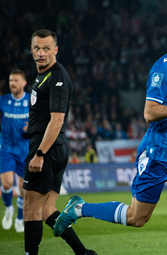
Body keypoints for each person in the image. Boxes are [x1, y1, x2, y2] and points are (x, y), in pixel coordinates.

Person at [54, 19, 167, 255]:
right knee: (136, 218)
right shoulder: (164, 69)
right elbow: (149, 113)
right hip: (158, 154)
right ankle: (79, 208)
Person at [23, 29, 96, 255]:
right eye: (37, 48)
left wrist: (40, 153)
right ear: (32, 49)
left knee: (30, 208)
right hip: (55, 147)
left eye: (46, 49)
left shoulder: (57, 77)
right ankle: (83, 253)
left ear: (55, 50)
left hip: (47, 148)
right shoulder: (43, 75)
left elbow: (57, 119)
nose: (41, 53)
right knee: (46, 210)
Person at [0, 69, 30, 233]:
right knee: (6, 183)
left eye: (16, 80)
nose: (13, 83)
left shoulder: (31, 101)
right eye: (11, 80)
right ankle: (8, 209)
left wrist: (30, 129)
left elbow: (40, 122)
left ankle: (19, 218)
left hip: (25, 149)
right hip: (7, 148)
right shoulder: (3, 101)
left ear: (24, 83)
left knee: (23, 189)